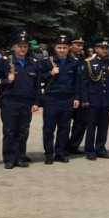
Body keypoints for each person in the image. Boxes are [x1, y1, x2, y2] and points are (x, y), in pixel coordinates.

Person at [0, 28, 41, 169]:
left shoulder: (33, 61)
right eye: (19, 46)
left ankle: (20, 157)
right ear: (14, 46)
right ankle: (9, 159)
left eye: (25, 46)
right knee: (10, 131)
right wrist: (6, 81)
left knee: (23, 131)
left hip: (26, 102)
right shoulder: (5, 61)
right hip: (9, 101)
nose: (22, 49)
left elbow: (37, 84)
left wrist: (36, 102)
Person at [39, 34, 80, 164]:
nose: (61, 50)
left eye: (64, 47)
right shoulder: (47, 61)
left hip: (67, 99)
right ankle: (49, 154)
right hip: (52, 99)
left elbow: (77, 83)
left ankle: (60, 153)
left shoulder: (73, 63)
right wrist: (50, 73)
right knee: (49, 128)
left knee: (64, 128)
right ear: (55, 48)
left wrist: (76, 97)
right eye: (59, 47)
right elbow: (38, 78)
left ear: (69, 48)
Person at [79, 37, 109, 161]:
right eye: (102, 48)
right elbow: (84, 83)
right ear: (96, 49)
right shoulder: (88, 62)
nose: (105, 50)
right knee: (91, 126)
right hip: (92, 99)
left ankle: (101, 148)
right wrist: (84, 99)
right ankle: (89, 149)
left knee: (103, 125)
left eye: (106, 48)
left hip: (106, 99)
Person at [66, 35, 88, 155]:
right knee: (65, 124)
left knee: (80, 124)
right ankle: (62, 147)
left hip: (82, 97)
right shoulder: (66, 59)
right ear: (71, 46)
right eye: (78, 45)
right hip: (69, 97)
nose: (80, 47)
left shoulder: (83, 60)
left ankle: (73, 146)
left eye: (82, 45)